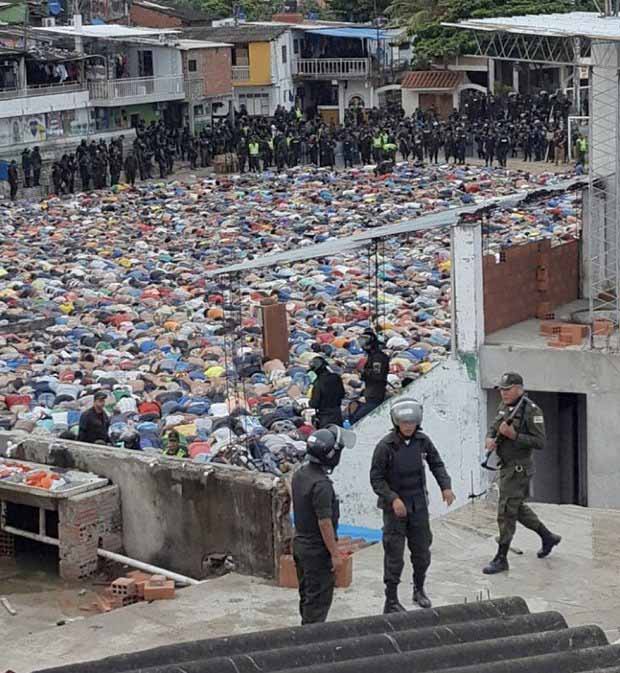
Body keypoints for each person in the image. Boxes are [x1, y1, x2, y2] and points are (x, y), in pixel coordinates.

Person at [370, 398, 455, 613]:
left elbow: (436, 463)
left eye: (412, 423)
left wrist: (446, 486)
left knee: (422, 552)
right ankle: (391, 599)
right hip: (395, 511)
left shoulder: (422, 441)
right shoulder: (385, 446)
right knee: (394, 555)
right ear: (396, 423)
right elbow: (376, 479)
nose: (408, 427)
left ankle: (419, 589)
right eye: (404, 423)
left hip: (418, 506)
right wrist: (392, 498)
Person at [482, 372, 561, 575]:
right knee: (516, 508)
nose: (503, 393)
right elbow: (495, 426)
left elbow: (540, 442)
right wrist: (490, 438)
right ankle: (547, 536)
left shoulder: (530, 410)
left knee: (506, 511)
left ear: (519, 388)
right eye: (501, 389)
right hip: (506, 465)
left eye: (507, 389)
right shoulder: (505, 406)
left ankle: (502, 557)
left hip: (519, 468)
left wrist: (514, 435)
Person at [292, 425, 354, 624]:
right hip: (317, 552)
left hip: (301, 546)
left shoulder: (300, 475)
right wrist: (335, 554)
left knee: (307, 597)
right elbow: (325, 523)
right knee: (318, 603)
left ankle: (304, 639)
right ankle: (311, 646)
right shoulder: (322, 485)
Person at [351, 329, 389, 423]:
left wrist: (364, 372)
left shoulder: (378, 357)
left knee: (357, 419)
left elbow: (377, 375)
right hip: (370, 393)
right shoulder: (372, 356)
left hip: (375, 395)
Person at [308, 356, 345, 428]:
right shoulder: (336, 377)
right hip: (337, 414)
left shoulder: (318, 383)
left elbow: (314, 403)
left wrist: (309, 402)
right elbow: (342, 394)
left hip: (324, 417)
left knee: (326, 437)